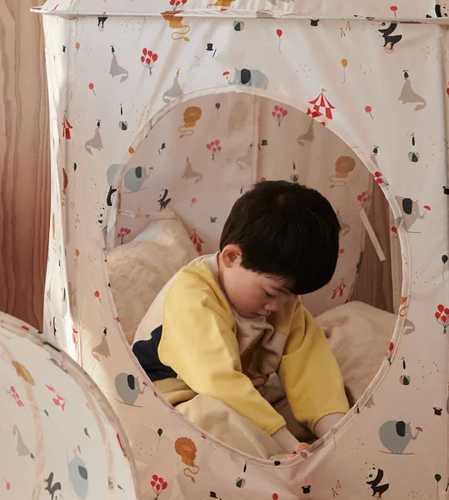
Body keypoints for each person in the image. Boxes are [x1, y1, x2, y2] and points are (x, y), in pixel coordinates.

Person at [131, 180, 348, 457]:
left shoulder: (284, 303)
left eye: (291, 295)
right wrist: (286, 443)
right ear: (232, 257)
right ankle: (276, 462)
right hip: (168, 396)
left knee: (327, 406)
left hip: (238, 394)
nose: (278, 306)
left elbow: (311, 368)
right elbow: (217, 381)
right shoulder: (192, 296)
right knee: (211, 419)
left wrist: (337, 431)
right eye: (271, 293)